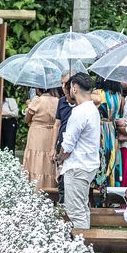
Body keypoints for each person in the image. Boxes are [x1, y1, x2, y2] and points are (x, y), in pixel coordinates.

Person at [58, 73, 101, 229]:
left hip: (78, 167)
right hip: (88, 165)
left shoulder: (80, 111)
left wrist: (59, 158)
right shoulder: (92, 109)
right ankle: (84, 246)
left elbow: (68, 145)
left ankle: (80, 248)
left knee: (75, 212)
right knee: (82, 209)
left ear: (74, 88)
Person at [23, 88, 60, 189]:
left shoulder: (37, 100)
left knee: (35, 159)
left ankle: (35, 187)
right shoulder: (57, 101)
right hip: (52, 133)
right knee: (48, 160)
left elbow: (27, 119)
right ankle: (49, 187)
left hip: (37, 133)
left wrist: (28, 107)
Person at [51, 72, 75, 204]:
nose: (63, 86)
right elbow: (57, 124)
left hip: (74, 146)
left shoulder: (81, 104)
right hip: (62, 143)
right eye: (61, 83)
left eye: (66, 83)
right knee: (60, 179)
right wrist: (52, 147)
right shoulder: (61, 101)